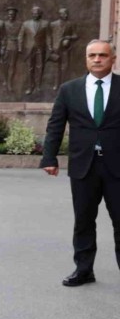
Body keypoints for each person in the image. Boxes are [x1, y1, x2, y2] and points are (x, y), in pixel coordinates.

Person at [40, 39, 120, 287]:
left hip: (117, 167)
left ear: (113, 58)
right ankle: (84, 270)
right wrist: (49, 157)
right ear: (86, 59)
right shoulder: (69, 89)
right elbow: (56, 125)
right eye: (92, 55)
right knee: (83, 220)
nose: (97, 59)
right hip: (83, 166)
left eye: (102, 55)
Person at [18, 6, 52, 95]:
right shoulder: (26, 24)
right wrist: (20, 48)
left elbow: (48, 36)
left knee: (40, 67)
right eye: (33, 13)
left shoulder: (45, 23)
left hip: (41, 48)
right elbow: (20, 36)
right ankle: (30, 86)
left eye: (37, 13)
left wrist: (50, 47)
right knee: (30, 68)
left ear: (40, 14)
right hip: (29, 49)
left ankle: (38, 86)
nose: (35, 15)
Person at [49, 7, 79, 90]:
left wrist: (68, 37)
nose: (66, 15)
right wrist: (50, 47)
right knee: (56, 68)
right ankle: (56, 84)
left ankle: (63, 84)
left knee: (65, 67)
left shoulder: (70, 24)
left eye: (66, 13)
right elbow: (49, 37)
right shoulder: (53, 24)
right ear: (60, 15)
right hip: (55, 48)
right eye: (63, 14)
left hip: (66, 49)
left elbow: (76, 36)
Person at [1, 7, 22, 94]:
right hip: (6, 46)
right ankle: (5, 80)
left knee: (12, 65)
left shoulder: (20, 24)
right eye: (9, 14)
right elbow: (2, 36)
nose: (11, 16)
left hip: (15, 46)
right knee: (4, 64)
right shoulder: (4, 24)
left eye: (12, 14)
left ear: (15, 15)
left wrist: (20, 47)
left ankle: (10, 83)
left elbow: (21, 36)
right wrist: (2, 47)